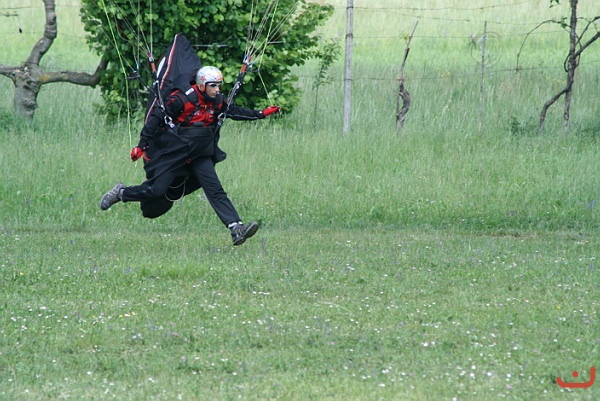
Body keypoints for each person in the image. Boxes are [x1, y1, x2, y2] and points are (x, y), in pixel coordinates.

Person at [100, 66, 280, 246]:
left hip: (200, 154)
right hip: (174, 153)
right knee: (157, 191)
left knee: (215, 189)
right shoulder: (181, 100)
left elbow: (234, 111)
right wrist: (141, 146)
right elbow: (155, 119)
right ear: (202, 85)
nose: (217, 90)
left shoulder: (217, 102)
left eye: (219, 85)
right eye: (213, 86)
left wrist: (261, 114)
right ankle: (121, 193)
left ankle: (236, 228)